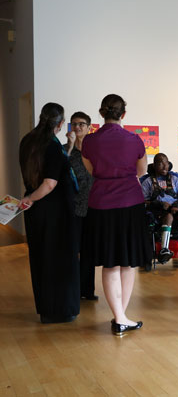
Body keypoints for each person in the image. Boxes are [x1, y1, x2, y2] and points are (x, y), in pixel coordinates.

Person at [81, 94, 151, 336]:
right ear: (123, 114)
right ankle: (121, 316)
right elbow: (141, 171)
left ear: (102, 113)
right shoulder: (134, 140)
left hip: (101, 204)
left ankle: (120, 316)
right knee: (127, 262)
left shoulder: (89, 142)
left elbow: (91, 171)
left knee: (109, 262)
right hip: (130, 203)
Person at [19, 102, 80, 324]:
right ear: (61, 123)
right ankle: (62, 310)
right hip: (56, 212)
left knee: (41, 258)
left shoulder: (28, 141)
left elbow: (50, 166)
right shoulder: (52, 146)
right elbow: (50, 183)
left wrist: (29, 199)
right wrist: (31, 198)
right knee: (61, 259)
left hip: (36, 212)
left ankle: (46, 309)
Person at [64, 111, 96, 301]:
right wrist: (68, 148)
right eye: (74, 124)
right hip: (73, 207)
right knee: (72, 250)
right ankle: (72, 291)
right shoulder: (65, 150)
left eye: (81, 124)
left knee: (89, 251)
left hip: (93, 206)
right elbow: (58, 171)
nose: (77, 127)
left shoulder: (95, 150)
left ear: (89, 127)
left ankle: (87, 291)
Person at [141, 153, 178, 264]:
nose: (165, 166)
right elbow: (143, 201)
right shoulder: (148, 182)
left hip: (176, 209)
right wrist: (159, 203)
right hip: (158, 211)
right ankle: (164, 249)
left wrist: (176, 205)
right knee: (168, 216)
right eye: (161, 163)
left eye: (166, 163)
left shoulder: (174, 179)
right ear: (154, 166)